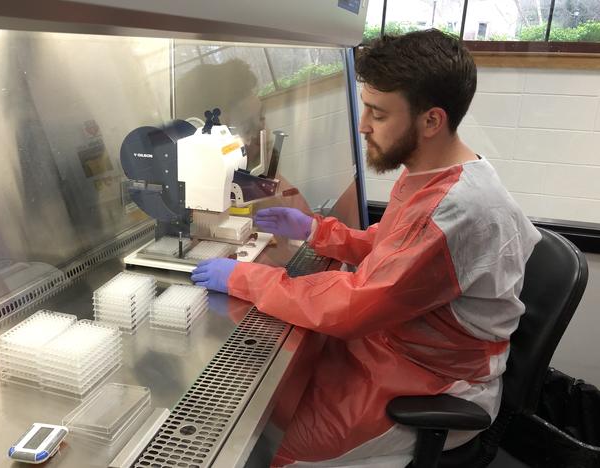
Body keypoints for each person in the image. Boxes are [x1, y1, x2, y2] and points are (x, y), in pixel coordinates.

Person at [191, 29, 541, 467]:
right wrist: (317, 231)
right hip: (393, 349)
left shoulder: (457, 211)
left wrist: (247, 277)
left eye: (377, 113)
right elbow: (391, 246)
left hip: (434, 385)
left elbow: (355, 306)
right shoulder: (434, 173)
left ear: (431, 121)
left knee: (266, 444)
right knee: (277, 395)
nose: (362, 125)